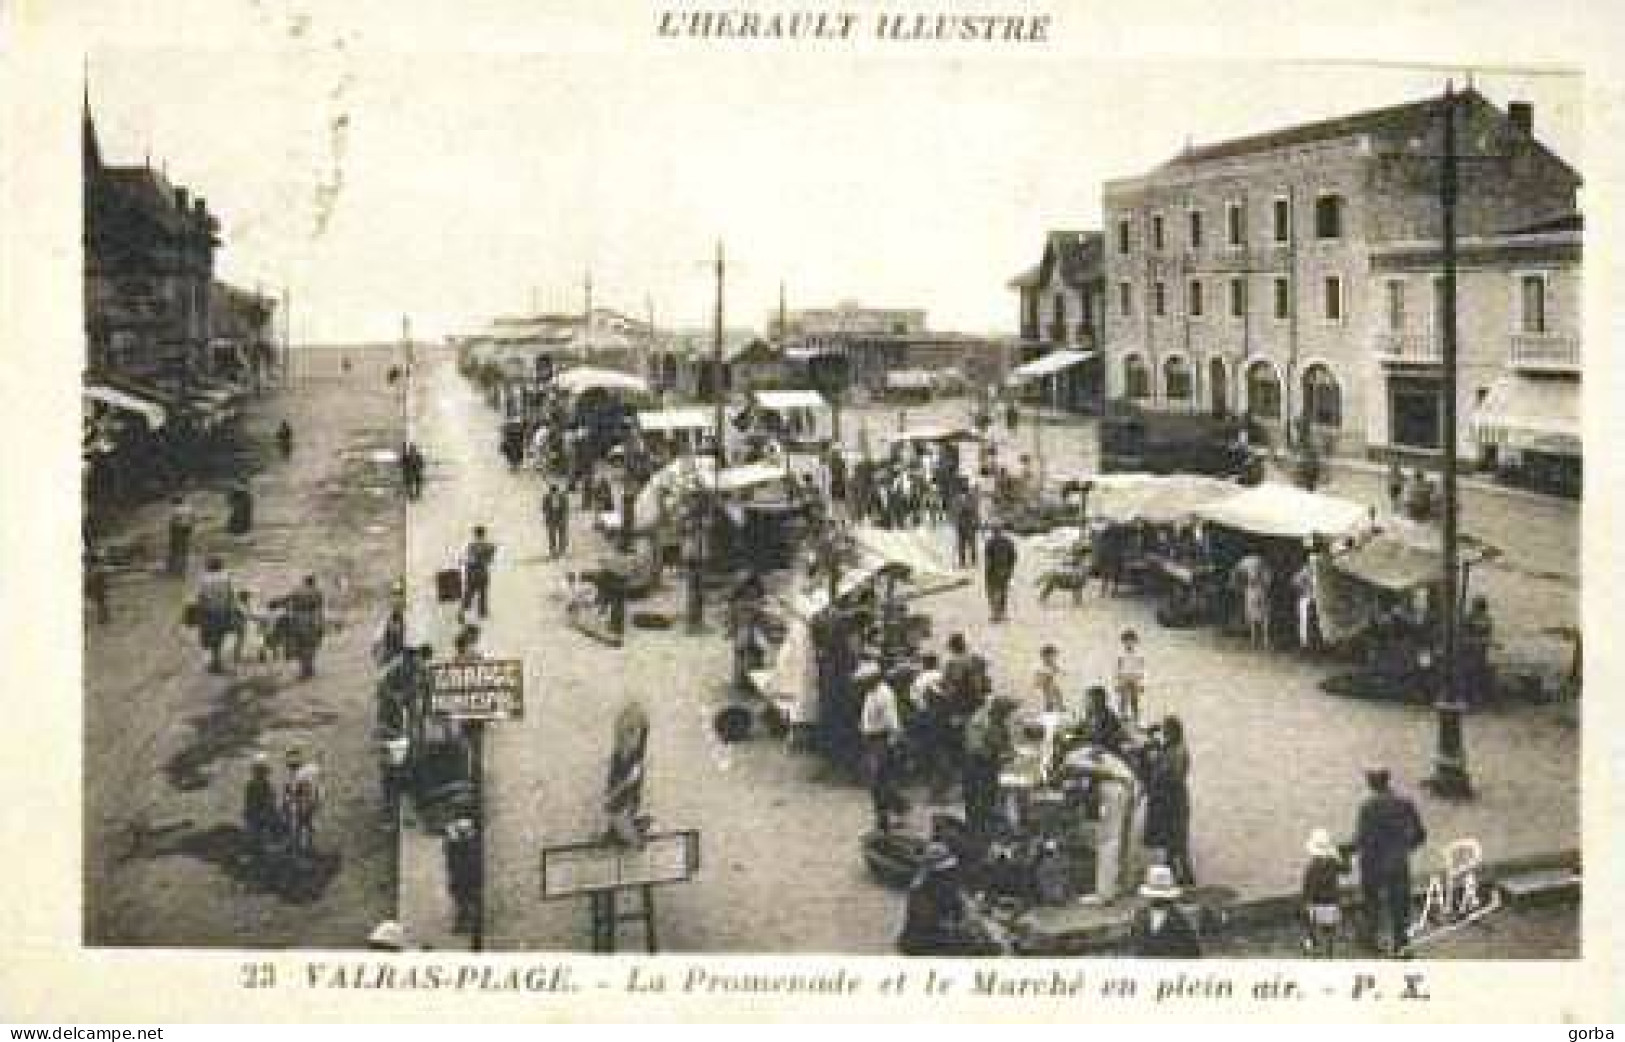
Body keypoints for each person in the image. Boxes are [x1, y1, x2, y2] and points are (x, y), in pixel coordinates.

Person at [1351, 767, 1427, 955]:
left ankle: (1370, 937)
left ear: (1371, 783)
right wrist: (1404, 849)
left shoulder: (1367, 807)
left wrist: (1342, 850)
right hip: (1398, 863)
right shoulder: (1405, 803)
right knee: (1400, 905)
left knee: (1372, 902)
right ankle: (1401, 943)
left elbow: (1362, 839)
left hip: (1373, 864)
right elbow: (1420, 834)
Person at [1144, 715, 1194, 885]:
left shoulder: (1178, 751)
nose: (1163, 734)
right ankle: (1177, 876)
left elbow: (1173, 776)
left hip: (1173, 802)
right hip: (1171, 800)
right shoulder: (1173, 747)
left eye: (1166, 731)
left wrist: (1157, 762)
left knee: (1177, 844)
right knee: (1172, 844)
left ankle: (1184, 879)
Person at [857, 661, 906, 832]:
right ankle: (895, 810)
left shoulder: (884, 694)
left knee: (878, 781)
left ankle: (884, 818)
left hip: (881, 741)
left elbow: (893, 722)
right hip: (872, 739)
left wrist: (892, 744)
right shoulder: (871, 693)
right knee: (880, 781)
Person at [962, 696, 1018, 837]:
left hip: (988, 767)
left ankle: (986, 827)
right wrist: (1000, 756)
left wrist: (1009, 751)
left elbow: (1005, 742)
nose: (1008, 716)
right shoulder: (980, 722)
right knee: (977, 801)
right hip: (976, 766)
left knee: (990, 797)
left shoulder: (997, 722)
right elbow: (977, 749)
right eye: (1006, 713)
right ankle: (977, 831)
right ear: (998, 711)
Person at [1128, 865, 1201, 957]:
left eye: (1161, 897)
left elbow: (1193, 955)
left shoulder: (1181, 923)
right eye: (1156, 897)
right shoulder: (1140, 918)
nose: (1158, 899)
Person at [1301, 827, 1347, 956]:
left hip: (1317, 902)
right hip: (1332, 901)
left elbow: (1308, 887)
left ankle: (1312, 945)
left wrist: (1307, 903)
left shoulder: (1312, 867)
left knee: (1313, 926)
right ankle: (1329, 950)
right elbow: (1345, 869)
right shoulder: (1333, 864)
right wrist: (1338, 856)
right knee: (1329, 930)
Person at [194, 556, 237, 674]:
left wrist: (199, 612)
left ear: (209, 566)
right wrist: (232, 611)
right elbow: (231, 595)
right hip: (222, 611)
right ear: (220, 566)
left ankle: (214, 661)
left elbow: (201, 597)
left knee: (209, 636)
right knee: (220, 635)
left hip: (208, 611)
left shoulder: (204, 579)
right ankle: (216, 661)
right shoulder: (226, 577)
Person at [283, 574, 327, 680]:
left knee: (300, 645)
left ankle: (304, 669)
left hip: (297, 619)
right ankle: (309, 668)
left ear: (304, 581)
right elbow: (320, 608)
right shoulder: (317, 592)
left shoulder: (296, 591)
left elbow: (286, 600)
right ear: (313, 582)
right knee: (311, 645)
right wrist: (321, 624)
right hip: (312, 619)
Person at [443, 818, 481, 934]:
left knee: (466, 899)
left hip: (466, 876)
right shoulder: (456, 843)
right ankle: (465, 920)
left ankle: (465, 921)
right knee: (463, 899)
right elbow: (450, 856)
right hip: (460, 875)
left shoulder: (470, 843)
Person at [282, 748, 322, 857]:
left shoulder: (301, 775)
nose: (291, 765)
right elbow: (289, 793)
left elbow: (304, 792)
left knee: (301, 827)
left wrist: (293, 801)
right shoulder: (295, 776)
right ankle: (301, 849)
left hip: (302, 806)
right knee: (301, 828)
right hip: (301, 806)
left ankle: (302, 850)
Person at [243, 753, 281, 861]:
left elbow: (271, 801)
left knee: (270, 830)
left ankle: (267, 849)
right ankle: (253, 851)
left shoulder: (267, 786)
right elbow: (250, 804)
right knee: (253, 832)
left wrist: (269, 811)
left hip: (265, 815)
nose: (260, 774)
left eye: (262, 772)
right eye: (258, 771)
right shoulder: (251, 786)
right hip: (254, 816)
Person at [1459, 595, 1495, 708]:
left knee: (1472, 675)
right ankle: (1469, 698)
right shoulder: (1471, 619)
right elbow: (1464, 635)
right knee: (1469, 675)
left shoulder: (1481, 620)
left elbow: (1483, 636)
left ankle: (1472, 698)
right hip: (1471, 652)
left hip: (1476, 653)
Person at [460, 525, 497, 620]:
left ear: (475, 534)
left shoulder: (471, 546)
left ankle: (463, 611)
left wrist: (466, 562)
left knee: (469, 594)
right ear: (483, 534)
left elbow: (469, 559)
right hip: (483, 573)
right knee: (483, 594)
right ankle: (482, 613)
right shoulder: (489, 546)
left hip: (472, 573)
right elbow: (490, 560)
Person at [983, 525, 1018, 623]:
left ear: (993, 532)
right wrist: (1010, 569)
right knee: (1003, 591)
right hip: (1005, 570)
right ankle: (1002, 612)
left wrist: (987, 571)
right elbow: (1014, 556)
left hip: (993, 571)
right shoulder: (1008, 542)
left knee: (992, 592)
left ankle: (995, 613)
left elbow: (988, 559)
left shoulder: (990, 543)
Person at [1113, 628, 1147, 724]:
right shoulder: (1120, 655)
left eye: (1131, 641)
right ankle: (1122, 716)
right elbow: (1117, 669)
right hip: (1124, 678)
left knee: (1134, 700)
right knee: (1123, 699)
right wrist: (1117, 682)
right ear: (1123, 642)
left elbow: (1142, 669)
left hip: (1134, 678)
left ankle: (1136, 718)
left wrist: (1141, 683)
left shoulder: (1139, 655)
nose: (1129, 644)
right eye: (1127, 641)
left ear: (1135, 642)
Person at [1080, 685, 1126, 754]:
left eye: (1096, 700)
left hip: (1108, 751)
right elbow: (1085, 728)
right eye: (1089, 700)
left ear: (1103, 700)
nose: (1091, 703)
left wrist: (1086, 737)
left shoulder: (1109, 716)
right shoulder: (1090, 714)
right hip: (1094, 748)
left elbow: (1104, 736)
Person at [167, 495, 196, 576]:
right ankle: (184, 564)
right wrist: (191, 526)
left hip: (178, 529)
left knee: (176, 547)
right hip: (187, 527)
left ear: (175, 502)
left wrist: (171, 530)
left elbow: (173, 520)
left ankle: (175, 567)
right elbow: (193, 517)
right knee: (185, 546)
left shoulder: (175, 509)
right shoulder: (189, 507)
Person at [1034, 645, 1065, 715]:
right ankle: (1052, 706)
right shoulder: (1041, 668)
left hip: (1053, 693)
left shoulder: (1055, 667)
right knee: (1049, 706)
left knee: (1057, 692)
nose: (1052, 659)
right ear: (1044, 657)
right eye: (1050, 656)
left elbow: (1062, 672)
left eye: (1054, 657)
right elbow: (1037, 683)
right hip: (1044, 695)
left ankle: (1059, 705)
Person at [84, 547, 111, 625]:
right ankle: (103, 619)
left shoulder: (93, 571)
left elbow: (101, 580)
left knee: (100, 604)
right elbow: (102, 580)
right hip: (98, 589)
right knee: (100, 604)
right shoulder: (96, 570)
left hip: (97, 589)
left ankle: (102, 619)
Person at [542, 485, 571, 558]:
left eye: (555, 492)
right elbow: (544, 508)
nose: (554, 494)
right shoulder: (546, 498)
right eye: (552, 492)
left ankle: (561, 550)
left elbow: (566, 509)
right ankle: (553, 551)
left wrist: (563, 518)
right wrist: (548, 516)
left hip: (561, 518)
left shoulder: (563, 498)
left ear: (558, 492)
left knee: (562, 535)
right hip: (551, 519)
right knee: (552, 536)